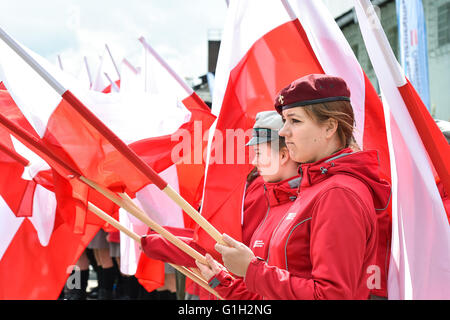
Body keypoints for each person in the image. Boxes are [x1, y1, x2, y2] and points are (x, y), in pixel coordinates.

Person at [197, 74, 391, 300]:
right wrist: (230, 284)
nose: (283, 131)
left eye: (295, 121)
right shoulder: (316, 187)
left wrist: (252, 269)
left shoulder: (338, 193)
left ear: (329, 127)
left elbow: (331, 296)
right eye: (285, 121)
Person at [139, 111, 300, 299]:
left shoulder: (266, 192)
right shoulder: (272, 191)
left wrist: (158, 242)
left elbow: (226, 250)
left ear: (283, 155)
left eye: (258, 153)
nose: (253, 161)